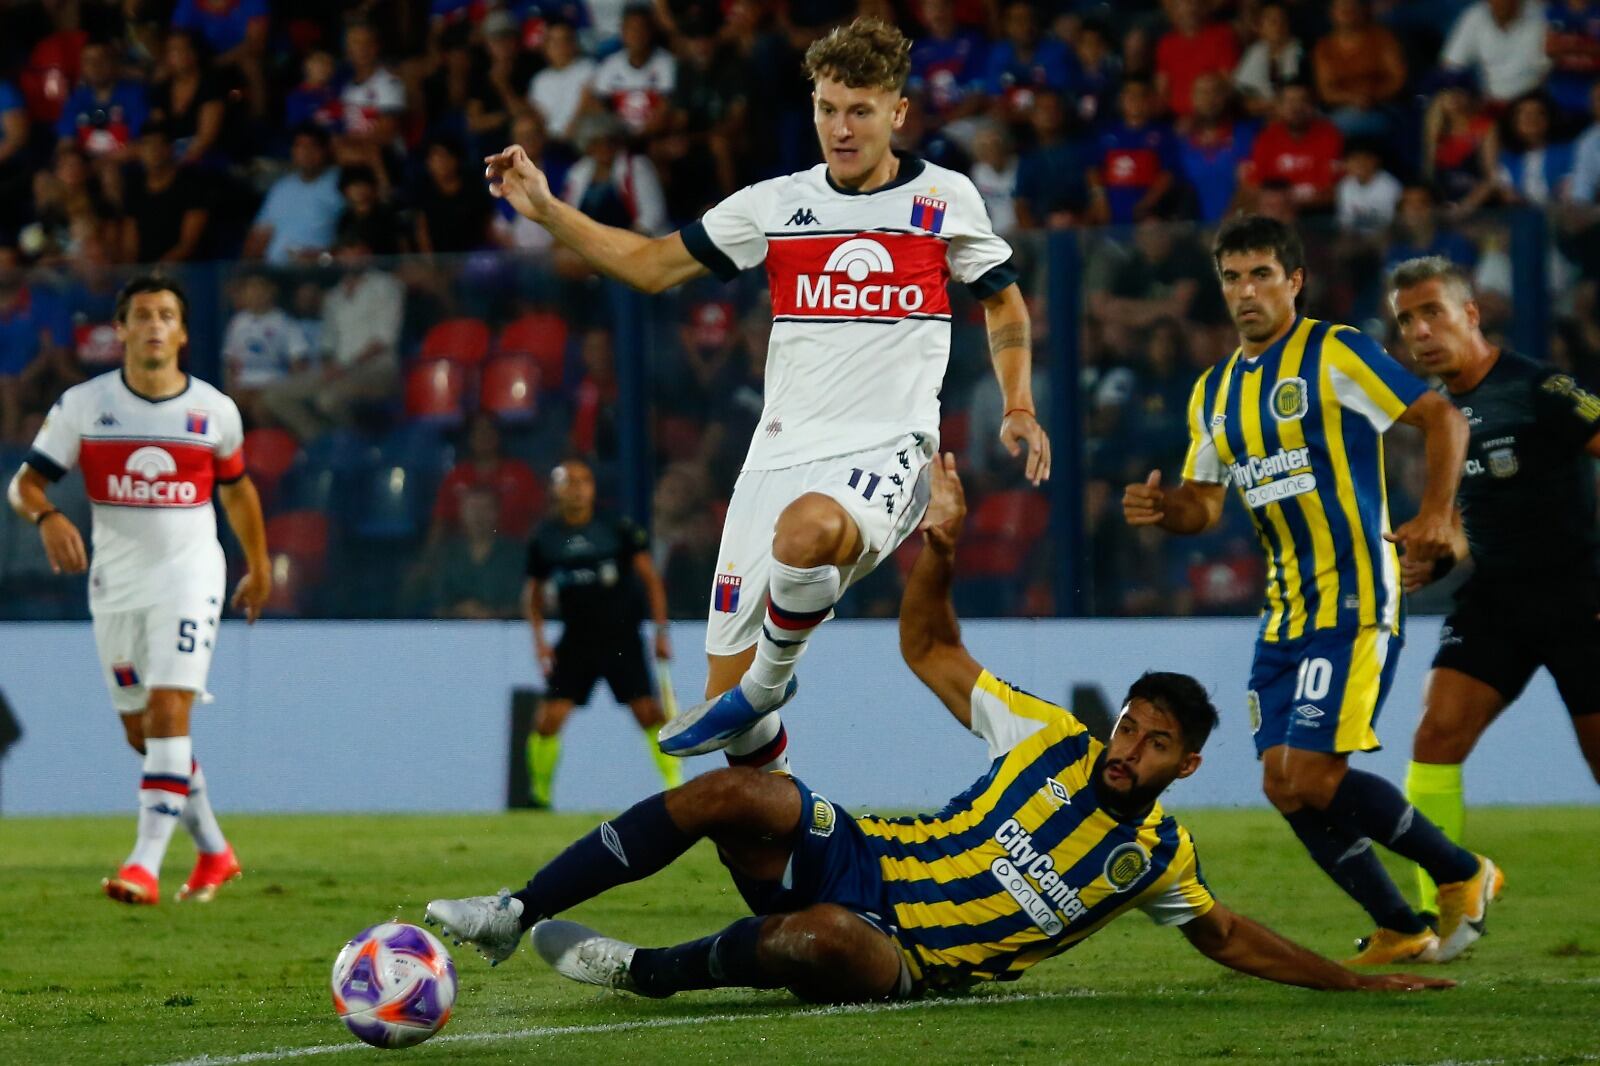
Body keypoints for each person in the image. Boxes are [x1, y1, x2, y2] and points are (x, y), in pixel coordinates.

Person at [424, 456, 1453, 1001]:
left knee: (824, 938)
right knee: (741, 790)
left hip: (897, 953)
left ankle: (643, 971)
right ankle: (517, 907)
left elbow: (1227, 935)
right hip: (862, 853)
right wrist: (941, 552)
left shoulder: (1157, 858)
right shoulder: (1047, 736)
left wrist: (1348, 982)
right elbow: (929, 650)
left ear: (1186, 765)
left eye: (1150, 744)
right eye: (1128, 727)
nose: (1126, 748)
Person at [484, 17, 1048, 768]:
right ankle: (791, 864)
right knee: (734, 733)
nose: (840, 129)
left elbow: (1003, 301)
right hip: (776, 460)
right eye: (826, 109)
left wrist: (1018, 404)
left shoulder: (945, 200)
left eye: (860, 110)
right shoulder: (776, 205)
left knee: (806, 534)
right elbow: (652, 267)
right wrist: (551, 210)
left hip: (888, 451)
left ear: (898, 113)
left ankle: (771, 681)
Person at [1119, 215, 1499, 965]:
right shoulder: (1214, 392)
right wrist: (1169, 511)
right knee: (1281, 783)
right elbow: (1205, 502)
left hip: (1354, 596)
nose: (1245, 291)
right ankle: (1401, 924)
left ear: (1294, 281)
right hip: (1284, 611)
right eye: (1232, 277)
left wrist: (1435, 511)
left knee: (1312, 773)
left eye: (1262, 274)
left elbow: (1441, 417)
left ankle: (1463, 872)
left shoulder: (1334, 352)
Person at [6, 274, 271, 905]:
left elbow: (236, 489)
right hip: (114, 584)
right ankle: (214, 853)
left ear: (181, 332)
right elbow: (24, 485)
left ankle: (143, 865)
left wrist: (257, 566)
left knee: (169, 713)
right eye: (142, 315)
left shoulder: (214, 411)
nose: (155, 325)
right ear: (120, 330)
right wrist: (49, 516)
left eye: (166, 315)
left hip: (190, 576)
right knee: (141, 733)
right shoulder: (84, 405)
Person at [1386, 257, 1600, 922]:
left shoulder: (1542, 388)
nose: (1419, 332)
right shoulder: (1439, 413)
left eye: (1432, 313)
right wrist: (1438, 557)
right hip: (1497, 602)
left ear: (1470, 315)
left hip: (1578, 599)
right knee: (1435, 735)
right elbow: (1468, 526)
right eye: (1406, 321)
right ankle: (1445, 915)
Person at [522, 459, 679, 809]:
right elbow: (532, 595)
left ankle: (675, 784)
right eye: (568, 482)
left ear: (593, 488)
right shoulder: (545, 539)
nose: (577, 489)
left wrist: (661, 632)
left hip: (621, 637)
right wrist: (540, 643)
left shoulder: (616, 528)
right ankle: (539, 797)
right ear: (555, 490)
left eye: (584, 481)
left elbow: (651, 581)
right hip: (576, 640)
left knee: (649, 714)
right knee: (549, 720)